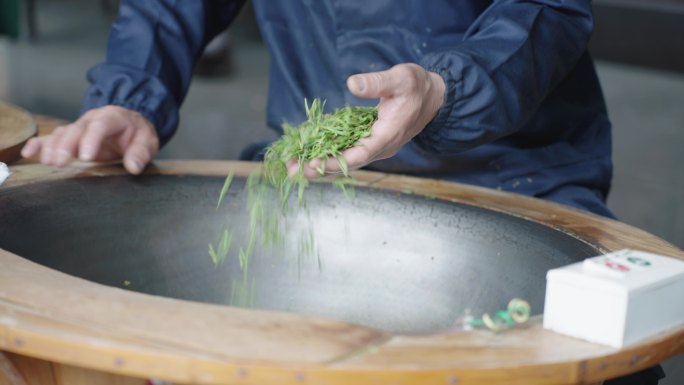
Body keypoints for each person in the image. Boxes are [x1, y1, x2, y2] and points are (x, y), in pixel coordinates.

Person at [18, 2, 664, 383]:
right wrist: (134, 94)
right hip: (319, 170)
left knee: (597, 357)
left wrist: (446, 92)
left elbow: (548, 9)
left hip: (509, 168)